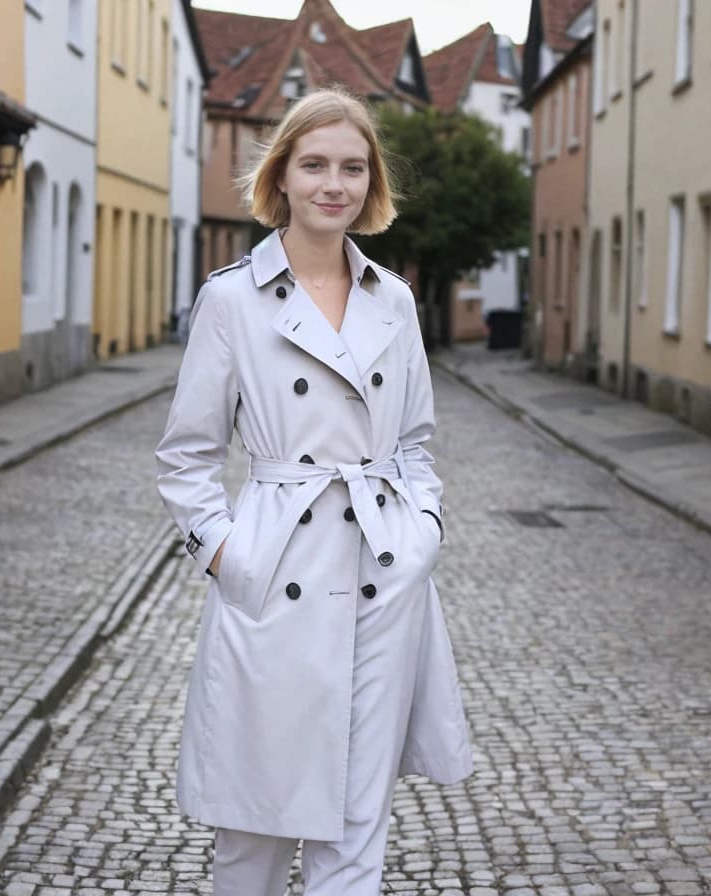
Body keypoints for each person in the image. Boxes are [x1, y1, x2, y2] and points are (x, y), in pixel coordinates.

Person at [155, 87, 474, 895]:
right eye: (316, 165)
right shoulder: (231, 299)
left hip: (382, 575)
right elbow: (187, 457)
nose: (336, 184)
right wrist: (231, 556)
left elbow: (414, 443)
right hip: (274, 574)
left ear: (371, 185)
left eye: (353, 168)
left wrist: (422, 535)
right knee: (255, 823)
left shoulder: (393, 300)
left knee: (358, 824)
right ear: (283, 178)